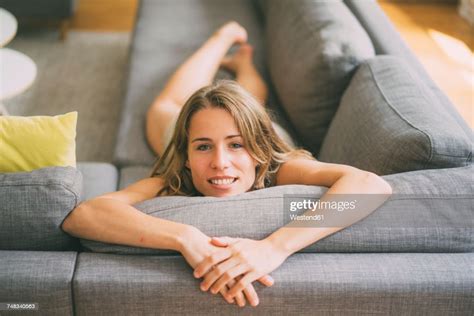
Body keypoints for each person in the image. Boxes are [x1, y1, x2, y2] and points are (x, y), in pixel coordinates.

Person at [62, 22, 392, 308]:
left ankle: (240, 60)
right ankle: (223, 37)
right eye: (203, 147)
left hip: (265, 129)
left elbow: (370, 185)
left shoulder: (282, 167)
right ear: (188, 156)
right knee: (167, 107)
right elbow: (84, 215)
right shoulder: (177, 173)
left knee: (248, 103)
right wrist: (185, 237)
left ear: (258, 152)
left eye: (236, 146)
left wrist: (274, 248)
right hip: (203, 127)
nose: (220, 163)